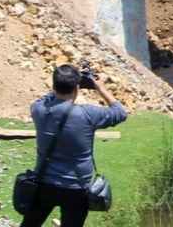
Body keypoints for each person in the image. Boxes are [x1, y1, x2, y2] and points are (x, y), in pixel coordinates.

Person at [22, 65, 127, 227]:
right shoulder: (88, 114)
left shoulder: (38, 109)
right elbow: (120, 112)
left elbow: (46, 98)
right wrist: (99, 87)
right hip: (77, 187)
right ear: (77, 88)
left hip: (44, 182)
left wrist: (64, 84)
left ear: (54, 85)